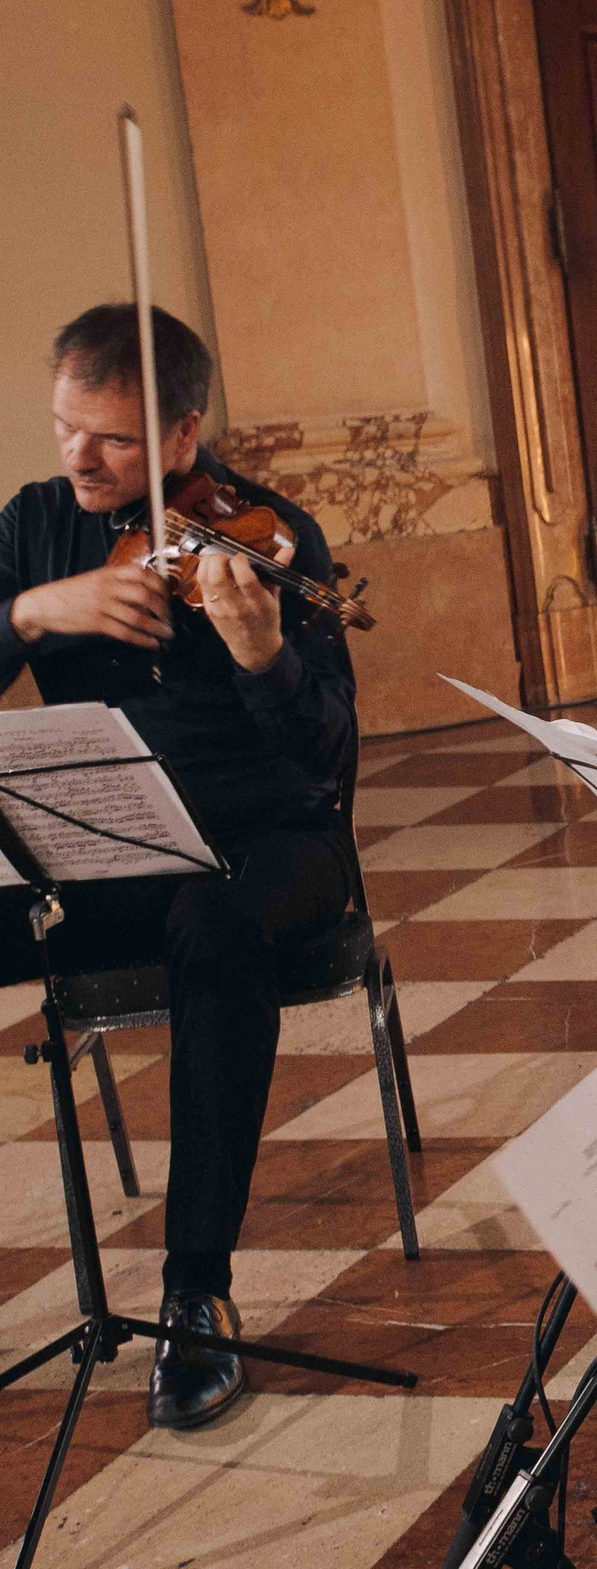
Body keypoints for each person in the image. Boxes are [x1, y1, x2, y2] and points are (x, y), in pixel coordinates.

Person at [0, 305, 358, 1430]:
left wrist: (266, 663)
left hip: (270, 851)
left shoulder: (269, 536)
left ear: (180, 433)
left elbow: (327, 761)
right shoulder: (35, 526)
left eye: (107, 439)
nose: (77, 457)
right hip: (104, 852)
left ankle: (195, 1294)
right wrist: (29, 612)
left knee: (214, 929)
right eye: (65, 427)